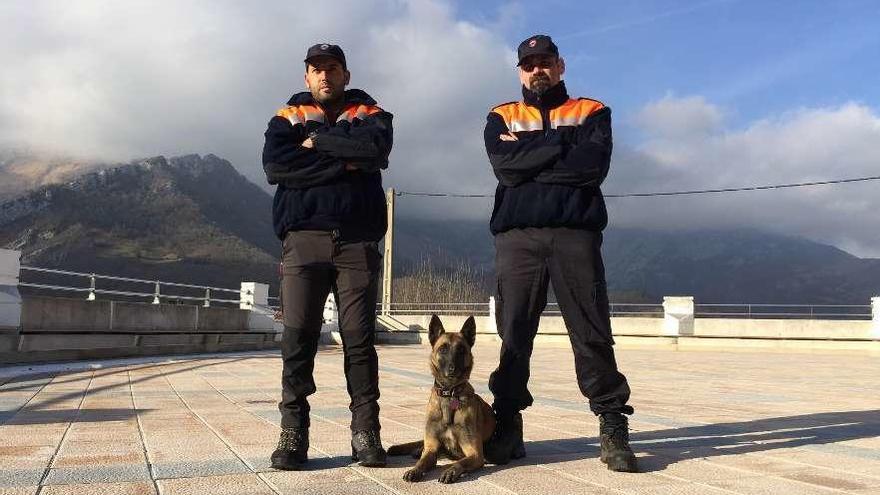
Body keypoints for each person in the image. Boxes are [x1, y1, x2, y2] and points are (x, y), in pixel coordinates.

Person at [482, 34, 638, 472]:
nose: (537, 70)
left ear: (560, 65)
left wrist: (530, 157)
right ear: (519, 70)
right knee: (514, 335)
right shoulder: (501, 115)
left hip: (575, 235)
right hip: (518, 238)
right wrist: (560, 149)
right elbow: (505, 169)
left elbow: (591, 168)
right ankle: (507, 424)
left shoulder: (592, 110)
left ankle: (611, 423)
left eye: (545, 62)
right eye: (529, 64)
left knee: (591, 333)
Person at [262, 43, 393, 470]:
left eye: (332, 69)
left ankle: (366, 433)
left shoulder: (372, 114)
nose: (325, 77)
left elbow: (375, 153)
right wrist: (344, 159)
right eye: (316, 70)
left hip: (357, 243)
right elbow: (276, 169)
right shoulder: (286, 118)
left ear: (345, 74)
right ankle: (293, 434)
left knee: (360, 342)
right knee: (297, 339)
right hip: (303, 241)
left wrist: (315, 144)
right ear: (306, 77)